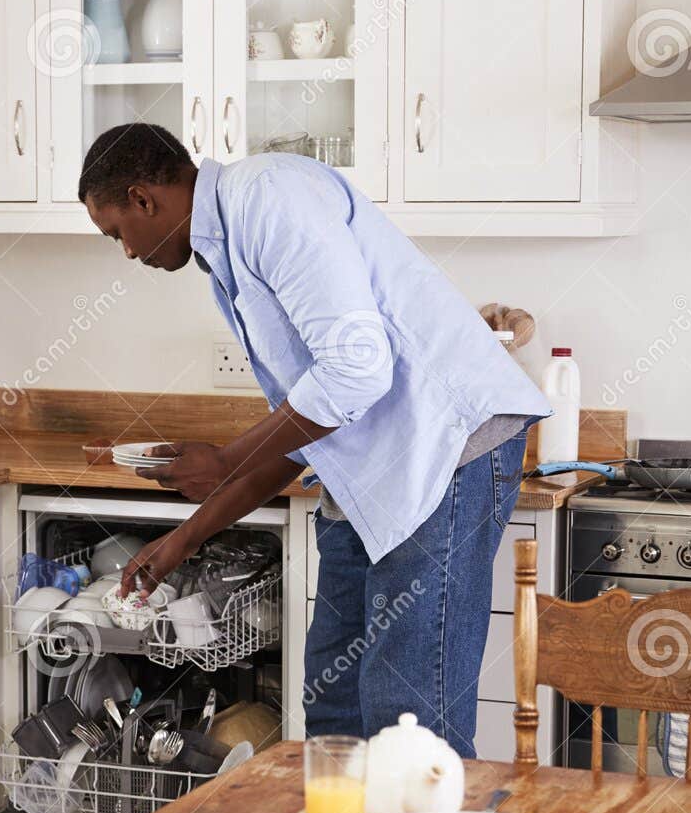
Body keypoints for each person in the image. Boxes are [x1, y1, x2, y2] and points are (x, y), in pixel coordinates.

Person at [79, 122, 550, 757]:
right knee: (333, 704)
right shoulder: (228, 256)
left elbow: (357, 369)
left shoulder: (267, 197)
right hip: (369, 470)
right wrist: (183, 541)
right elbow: (301, 436)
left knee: (407, 720)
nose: (127, 253)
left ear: (143, 198)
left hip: (447, 448)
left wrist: (223, 459)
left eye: (116, 235)